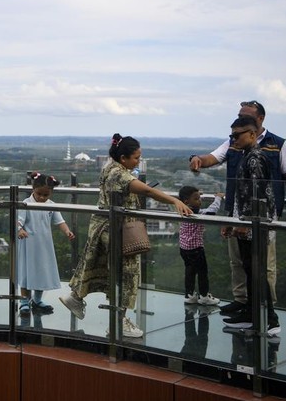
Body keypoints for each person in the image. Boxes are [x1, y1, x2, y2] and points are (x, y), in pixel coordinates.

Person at [60, 133, 193, 338]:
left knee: (100, 265)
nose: (138, 161)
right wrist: (175, 201)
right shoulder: (120, 174)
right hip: (119, 229)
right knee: (127, 273)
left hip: (102, 225)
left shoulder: (109, 167)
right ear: (124, 158)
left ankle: (76, 297)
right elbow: (148, 191)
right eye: (136, 157)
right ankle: (119, 320)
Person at [189, 100, 286, 315]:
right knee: (239, 261)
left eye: (246, 115)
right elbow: (213, 158)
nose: (241, 118)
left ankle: (265, 308)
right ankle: (243, 302)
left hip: (261, 217)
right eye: (239, 114)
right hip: (236, 212)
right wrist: (197, 159)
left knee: (262, 264)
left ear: (260, 119)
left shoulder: (276, 144)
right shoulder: (235, 141)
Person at [220, 116, 280, 336]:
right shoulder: (247, 156)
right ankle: (253, 315)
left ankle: (269, 320)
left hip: (254, 226)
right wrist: (235, 220)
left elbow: (259, 194)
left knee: (256, 272)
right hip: (247, 224)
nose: (233, 139)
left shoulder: (255, 158)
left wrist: (246, 223)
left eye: (237, 135)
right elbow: (244, 194)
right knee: (250, 271)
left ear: (253, 134)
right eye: (231, 135)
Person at [16, 173, 75, 314]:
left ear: (51, 193)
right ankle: (24, 300)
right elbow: (18, 221)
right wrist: (20, 229)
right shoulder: (26, 203)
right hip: (28, 245)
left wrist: (67, 231)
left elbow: (60, 221)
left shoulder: (51, 205)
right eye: (39, 194)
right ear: (33, 190)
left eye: (46, 195)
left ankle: (37, 300)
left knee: (41, 271)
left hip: (44, 245)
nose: (42, 197)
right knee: (26, 272)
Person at [178, 186, 223, 306]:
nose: (200, 201)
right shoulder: (196, 213)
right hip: (196, 249)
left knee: (190, 271)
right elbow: (212, 210)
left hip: (184, 248)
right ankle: (204, 296)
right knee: (202, 272)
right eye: (197, 198)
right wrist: (218, 198)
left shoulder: (181, 209)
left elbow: (188, 199)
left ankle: (190, 295)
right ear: (187, 201)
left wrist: (196, 195)